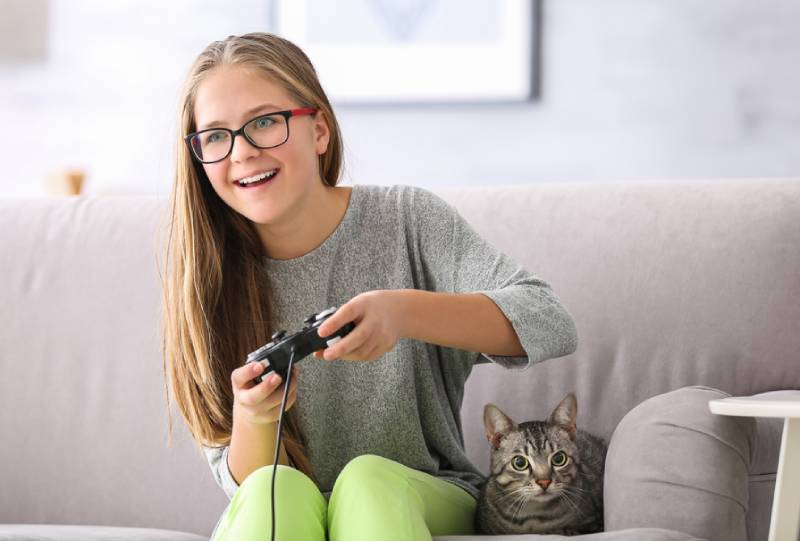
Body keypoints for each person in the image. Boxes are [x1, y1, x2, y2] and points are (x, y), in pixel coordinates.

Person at [161, 32, 578, 541]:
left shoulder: (406, 220)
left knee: (367, 480)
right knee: (274, 490)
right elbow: (244, 487)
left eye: (265, 121)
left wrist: (401, 313)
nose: (242, 151)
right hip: (283, 506)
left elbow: (549, 321)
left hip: (425, 494)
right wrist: (255, 417)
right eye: (216, 136)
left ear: (319, 131)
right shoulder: (209, 279)